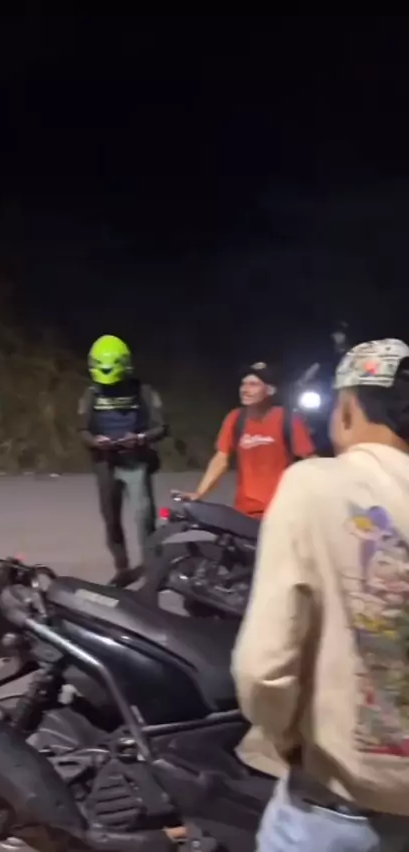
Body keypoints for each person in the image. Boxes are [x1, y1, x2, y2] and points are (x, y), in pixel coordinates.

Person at [232, 338, 409, 851]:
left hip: (337, 809)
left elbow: (263, 669)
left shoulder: (314, 485)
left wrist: (288, 741)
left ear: (348, 407)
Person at [78, 334, 167, 587]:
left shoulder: (143, 391)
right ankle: (122, 568)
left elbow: (162, 427)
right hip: (105, 464)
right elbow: (82, 430)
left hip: (136, 463)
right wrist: (96, 442)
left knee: (144, 518)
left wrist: (140, 438)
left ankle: (152, 569)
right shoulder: (91, 394)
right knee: (111, 519)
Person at [184, 362, 315, 518]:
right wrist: (199, 493)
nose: (245, 390)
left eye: (253, 385)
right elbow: (221, 459)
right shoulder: (235, 418)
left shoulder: (289, 419)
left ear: (270, 390)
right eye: (243, 384)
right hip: (244, 512)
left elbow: (311, 462)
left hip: (282, 511)